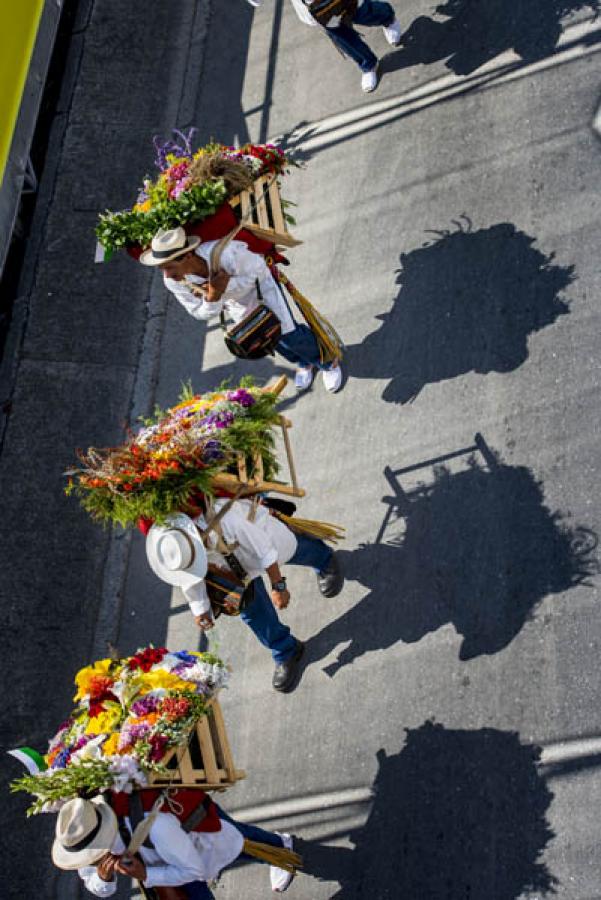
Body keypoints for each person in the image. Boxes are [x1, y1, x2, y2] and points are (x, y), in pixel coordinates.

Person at [145, 498, 344, 692]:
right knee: (250, 611)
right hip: (226, 569)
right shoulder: (178, 548)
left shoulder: (226, 519)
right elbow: (189, 577)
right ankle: (285, 650)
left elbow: (265, 550)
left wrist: (279, 586)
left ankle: (324, 559)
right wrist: (201, 610)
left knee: (293, 548)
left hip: (259, 544)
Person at [140, 226, 343, 394]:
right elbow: (198, 312)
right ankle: (303, 362)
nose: (166, 273)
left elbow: (260, 271)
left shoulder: (227, 252)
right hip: (236, 305)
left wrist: (224, 288)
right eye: (161, 268)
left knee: (288, 333)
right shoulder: (173, 282)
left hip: (263, 291)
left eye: (169, 266)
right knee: (266, 338)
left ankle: (327, 361)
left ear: (188, 255)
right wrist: (214, 295)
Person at [51, 793, 298, 896]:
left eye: (91, 855)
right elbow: (97, 886)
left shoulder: (154, 826)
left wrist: (146, 873)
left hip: (194, 834)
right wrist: (104, 879)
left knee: (237, 845)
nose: (89, 862)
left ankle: (281, 846)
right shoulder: (82, 834)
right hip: (169, 866)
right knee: (235, 844)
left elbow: (193, 871)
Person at [249, 0, 403, 93]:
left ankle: (388, 18)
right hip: (317, 8)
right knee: (342, 36)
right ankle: (368, 65)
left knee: (363, 12)